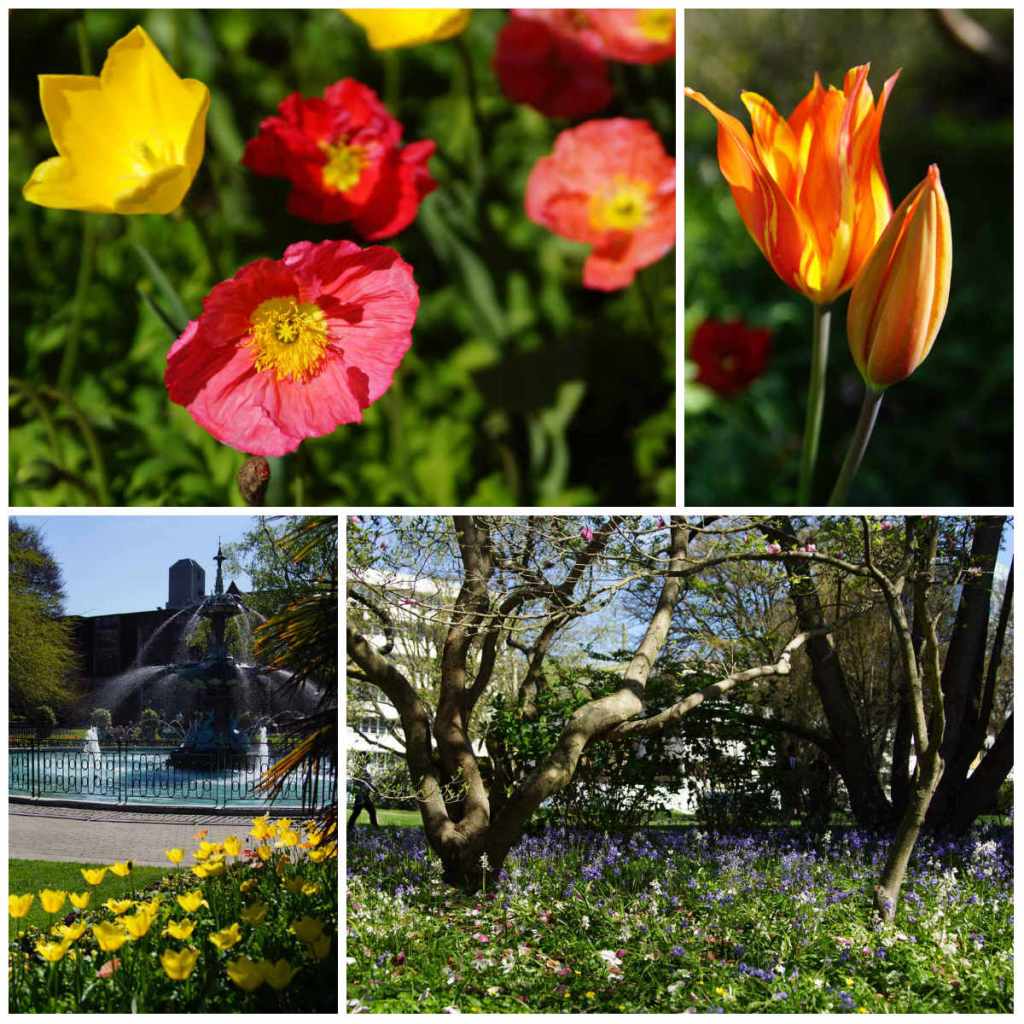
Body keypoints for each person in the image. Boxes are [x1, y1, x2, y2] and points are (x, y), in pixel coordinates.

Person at [347, 764, 379, 829]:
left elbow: (369, 784)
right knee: (356, 813)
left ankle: (375, 826)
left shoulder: (368, 775)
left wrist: (375, 789)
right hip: (359, 797)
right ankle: (350, 826)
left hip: (366, 797)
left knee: (372, 811)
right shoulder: (358, 775)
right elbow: (355, 786)